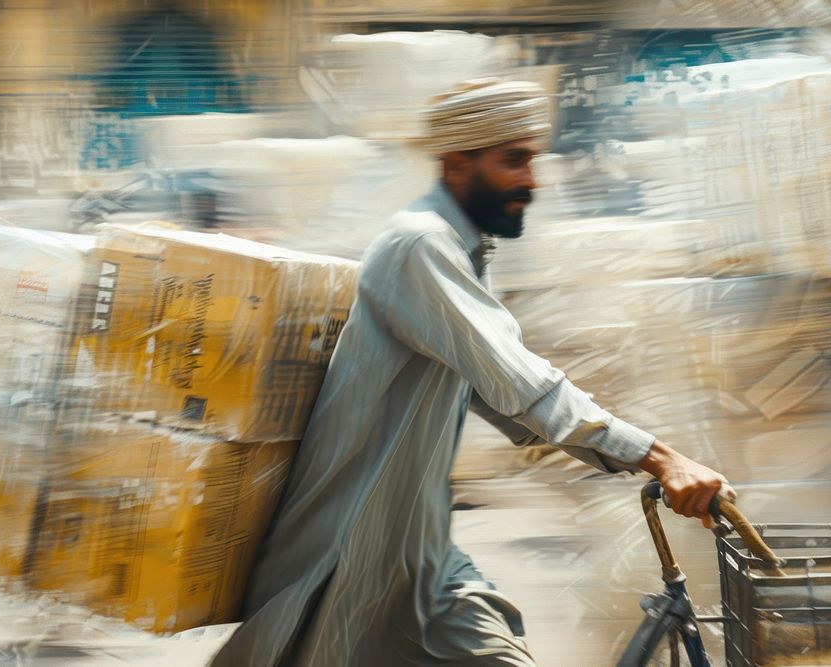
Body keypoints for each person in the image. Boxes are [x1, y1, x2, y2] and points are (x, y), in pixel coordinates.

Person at [210, 78, 732, 667]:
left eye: (532, 160)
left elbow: (510, 405)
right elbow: (520, 382)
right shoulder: (420, 246)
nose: (531, 181)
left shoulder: (459, 251)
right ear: (458, 162)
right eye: (515, 161)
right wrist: (661, 458)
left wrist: (608, 463)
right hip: (350, 553)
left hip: (421, 561)